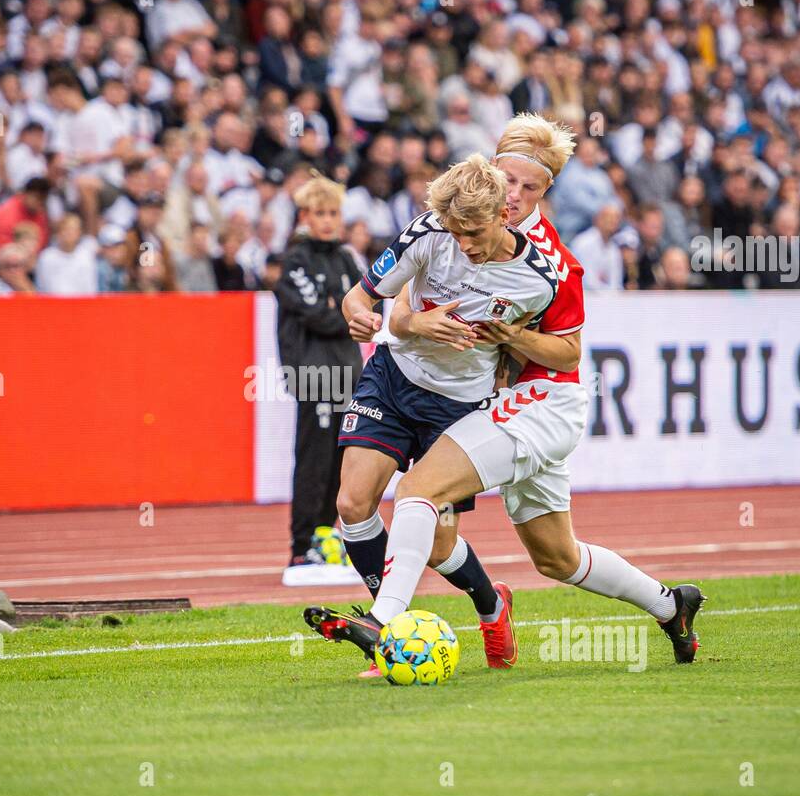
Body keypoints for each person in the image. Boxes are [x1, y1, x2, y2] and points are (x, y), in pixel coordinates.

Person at [305, 116, 707, 669]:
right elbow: (396, 301)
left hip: (536, 401)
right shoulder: (454, 219)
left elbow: (568, 352)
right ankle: (671, 606)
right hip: (472, 396)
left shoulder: (551, 267)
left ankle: (384, 622)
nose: (515, 196)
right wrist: (410, 322)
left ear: (546, 191)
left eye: (530, 187)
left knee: (418, 492)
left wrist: (511, 339)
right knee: (556, 558)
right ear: (488, 172)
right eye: (507, 180)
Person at [328, 153, 561, 676]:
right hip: (394, 380)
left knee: (438, 543)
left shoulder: (538, 281)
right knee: (352, 501)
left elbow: (539, 352)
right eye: (455, 232)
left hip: (459, 408)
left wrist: (510, 354)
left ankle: (490, 604)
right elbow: (358, 299)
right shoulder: (427, 232)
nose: (463, 244)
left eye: (473, 232)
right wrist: (368, 320)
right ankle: (384, 630)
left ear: (504, 213)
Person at [273, 173, 363, 572]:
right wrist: (344, 313)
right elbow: (320, 315)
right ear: (305, 216)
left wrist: (344, 312)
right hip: (313, 373)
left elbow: (364, 306)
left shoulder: (346, 258)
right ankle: (302, 542)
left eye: (334, 213)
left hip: (347, 371)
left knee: (340, 461)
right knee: (312, 460)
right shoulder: (295, 260)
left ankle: (328, 535)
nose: (328, 221)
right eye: (320, 213)